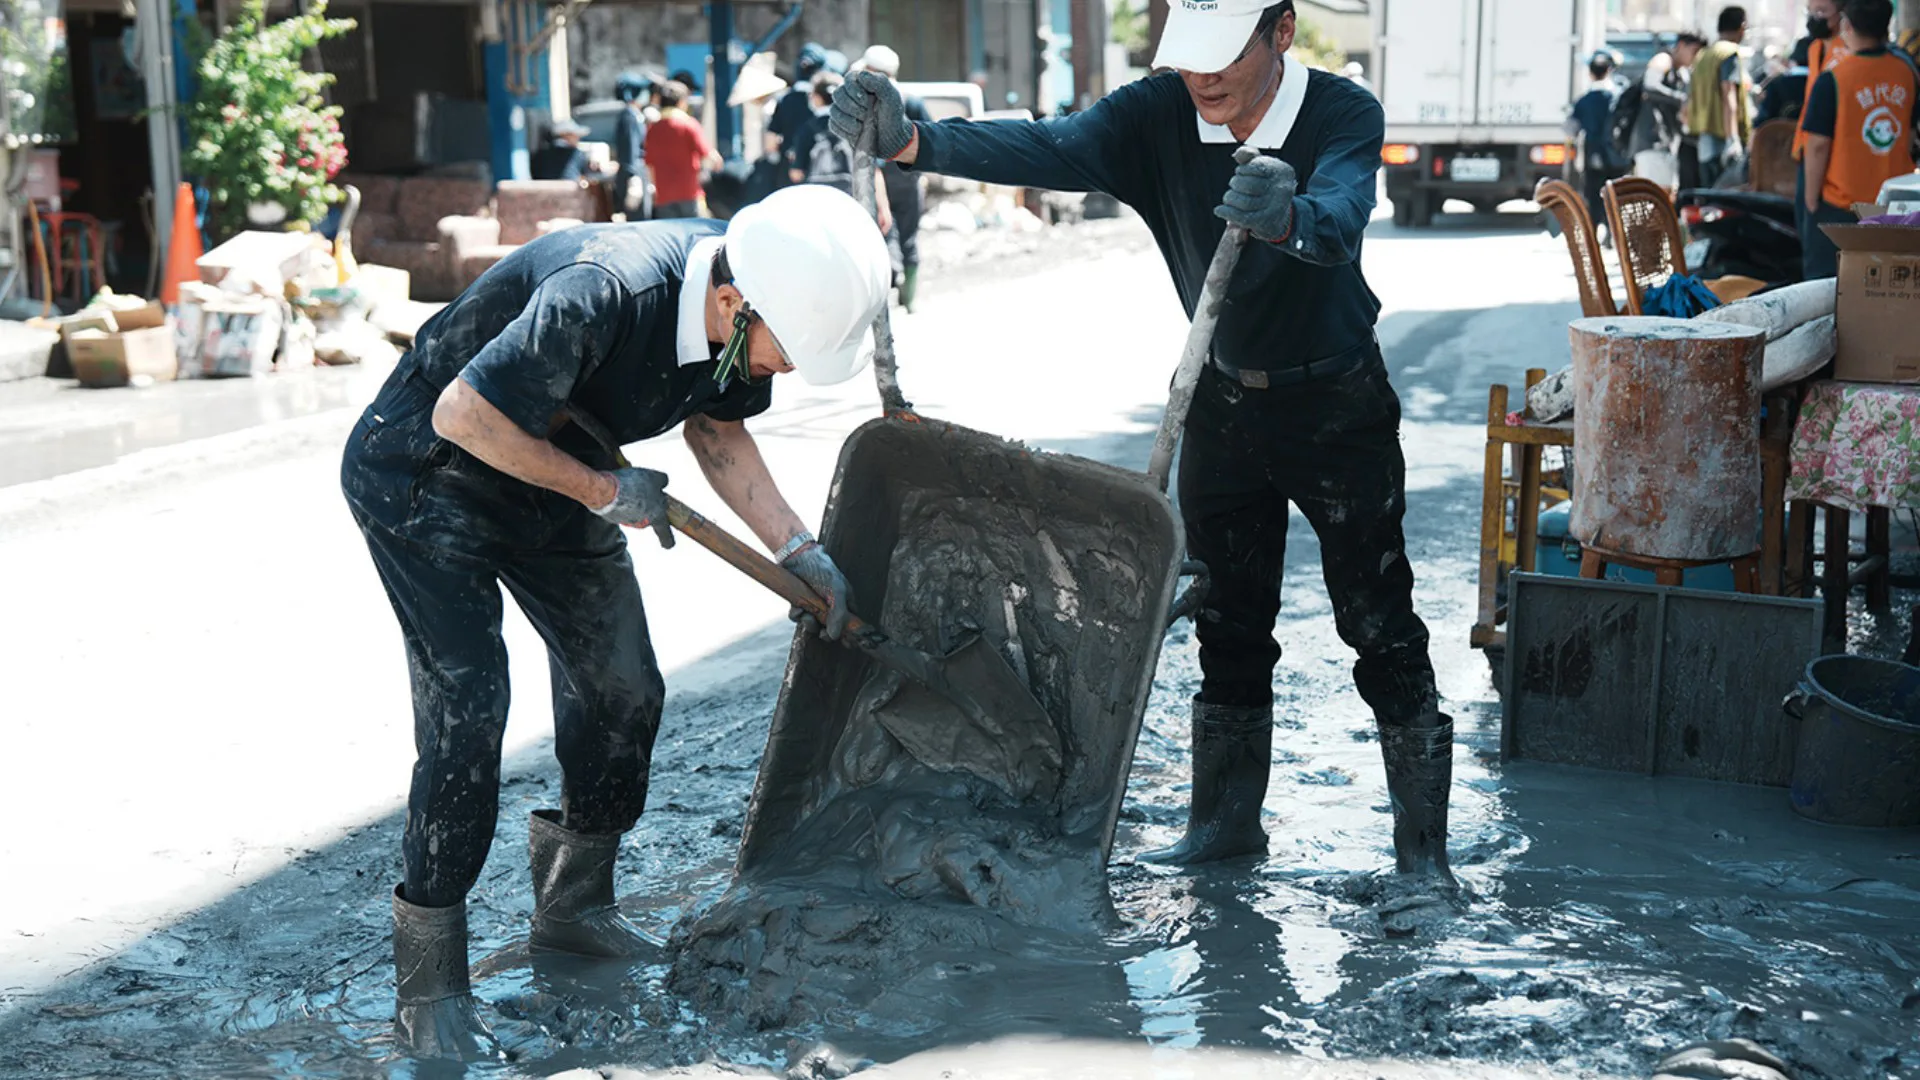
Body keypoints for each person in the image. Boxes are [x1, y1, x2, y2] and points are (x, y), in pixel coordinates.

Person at [830, 0, 1454, 883]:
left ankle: (1422, 856)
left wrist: (1291, 215)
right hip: (1218, 403)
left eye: (1224, 56)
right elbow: (1049, 146)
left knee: (1377, 618)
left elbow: (1344, 210)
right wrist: (914, 144)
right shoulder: (1160, 111)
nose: (1203, 78)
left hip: (1334, 404)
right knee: (1229, 622)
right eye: (1189, 56)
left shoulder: (1341, 112)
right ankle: (1226, 827)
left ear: (1279, 33)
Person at [340, 184, 890, 1061]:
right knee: (469, 714)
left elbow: (717, 432)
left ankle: (573, 910)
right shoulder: (603, 289)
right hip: (432, 471)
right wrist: (606, 491)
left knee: (623, 688)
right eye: (786, 351)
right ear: (730, 303)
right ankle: (430, 988)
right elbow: (464, 413)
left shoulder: (748, 288)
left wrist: (799, 550)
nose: (785, 368)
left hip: (557, 472)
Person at [1800, 0, 1918, 279]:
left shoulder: (1834, 79)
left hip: (1841, 206)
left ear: (1847, 25)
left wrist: (1810, 201)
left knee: (1832, 290)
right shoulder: (1907, 73)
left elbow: (1817, 146)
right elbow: (1911, 134)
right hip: (1891, 208)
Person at [855, 44, 934, 311]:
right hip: (907, 177)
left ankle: (883, 295)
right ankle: (908, 300)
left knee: (877, 235)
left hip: (878, 179)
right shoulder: (911, 99)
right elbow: (930, 135)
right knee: (909, 236)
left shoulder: (869, 101)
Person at [1688, 6, 1754, 187]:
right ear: (1742, 26)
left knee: (1708, 198)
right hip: (1722, 140)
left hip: (1704, 139)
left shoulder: (1703, 55)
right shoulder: (1730, 53)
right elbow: (1728, 96)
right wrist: (1732, 138)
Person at [1630, 33, 1706, 187]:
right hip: (1652, 142)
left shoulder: (1683, 75)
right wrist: (1681, 99)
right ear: (1681, 45)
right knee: (1657, 198)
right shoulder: (1663, 59)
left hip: (1668, 144)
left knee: (1666, 196)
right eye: (1694, 51)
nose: (1695, 57)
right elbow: (1650, 86)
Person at [1568, 51, 1629, 228]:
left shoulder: (1585, 100)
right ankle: (1614, 233)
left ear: (1590, 73)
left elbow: (1571, 128)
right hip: (1618, 154)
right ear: (1610, 70)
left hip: (1593, 154)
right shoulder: (1618, 96)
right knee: (1617, 196)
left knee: (1594, 195)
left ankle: (1593, 235)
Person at [645, 81, 722, 218]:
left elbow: (649, 164)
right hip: (689, 193)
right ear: (681, 102)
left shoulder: (653, 129)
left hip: (663, 196)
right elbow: (711, 157)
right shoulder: (689, 125)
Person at [768, 42, 830, 168]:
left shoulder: (784, 100)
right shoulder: (828, 101)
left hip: (789, 170)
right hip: (821, 169)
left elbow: (770, 142)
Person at [613, 72, 653, 219]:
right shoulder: (629, 117)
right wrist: (633, 177)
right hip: (633, 173)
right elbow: (631, 149)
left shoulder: (635, 115)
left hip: (638, 171)